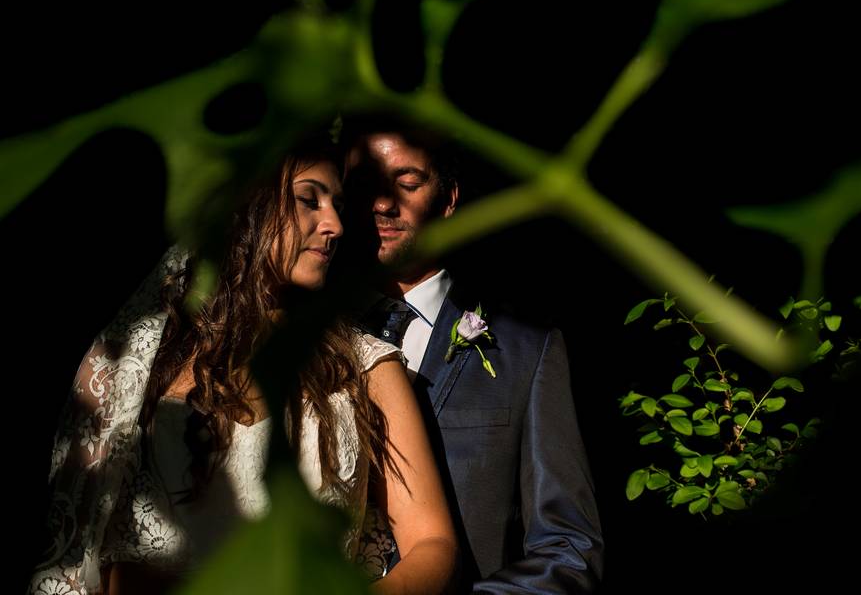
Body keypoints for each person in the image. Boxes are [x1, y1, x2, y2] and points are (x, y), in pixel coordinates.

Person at [27, 137, 457, 594]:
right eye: (308, 199)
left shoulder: (366, 367)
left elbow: (432, 543)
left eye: (337, 205)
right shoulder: (140, 364)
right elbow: (94, 545)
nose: (335, 224)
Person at [341, 120, 603, 592]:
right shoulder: (306, 339)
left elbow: (568, 548)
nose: (382, 203)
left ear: (449, 199)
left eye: (407, 184)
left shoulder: (526, 349)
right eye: (365, 186)